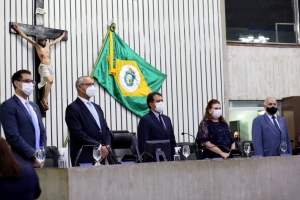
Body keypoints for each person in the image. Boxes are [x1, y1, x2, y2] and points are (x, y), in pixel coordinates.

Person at [13, 24, 67, 111]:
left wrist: (63, 35)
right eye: (41, 41)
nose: (43, 42)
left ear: (45, 40)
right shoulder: (37, 45)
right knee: (50, 81)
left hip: (50, 66)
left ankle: (45, 99)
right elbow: (26, 38)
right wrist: (18, 29)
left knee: (49, 84)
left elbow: (57, 40)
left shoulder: (48, 45)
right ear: (39, 41)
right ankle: (44, 99)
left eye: (44, 40)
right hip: (43, 66)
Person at [0, 70, 46, 167]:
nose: (31, 84)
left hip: (39, 161)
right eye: (27, 81)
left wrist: (41, 155)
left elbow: (42, 133)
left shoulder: (35, 106)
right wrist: (33, 155)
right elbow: (13, 136)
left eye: (32, 82)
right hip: (21, 160)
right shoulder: (8, 105)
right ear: (16, 83)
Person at [65, 76, 111, 166]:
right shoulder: (73, 108)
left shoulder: (97, 107)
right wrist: (99, 147)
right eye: (89, 85)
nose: (92, 87)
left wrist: (107, 146)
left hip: (102, 155)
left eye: (93, 84)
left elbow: (106, 129)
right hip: (84, 155)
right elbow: (78, 134)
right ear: (80, 87)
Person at [137, 92, 177, 160]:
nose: (161, 103)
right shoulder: (145, 120)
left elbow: (172, 140)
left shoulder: (167, 119)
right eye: (158, 101)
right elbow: (143, 143)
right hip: (154, 158)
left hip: (169, 158)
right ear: (151, 104)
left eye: (162, 100)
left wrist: (174, 155)